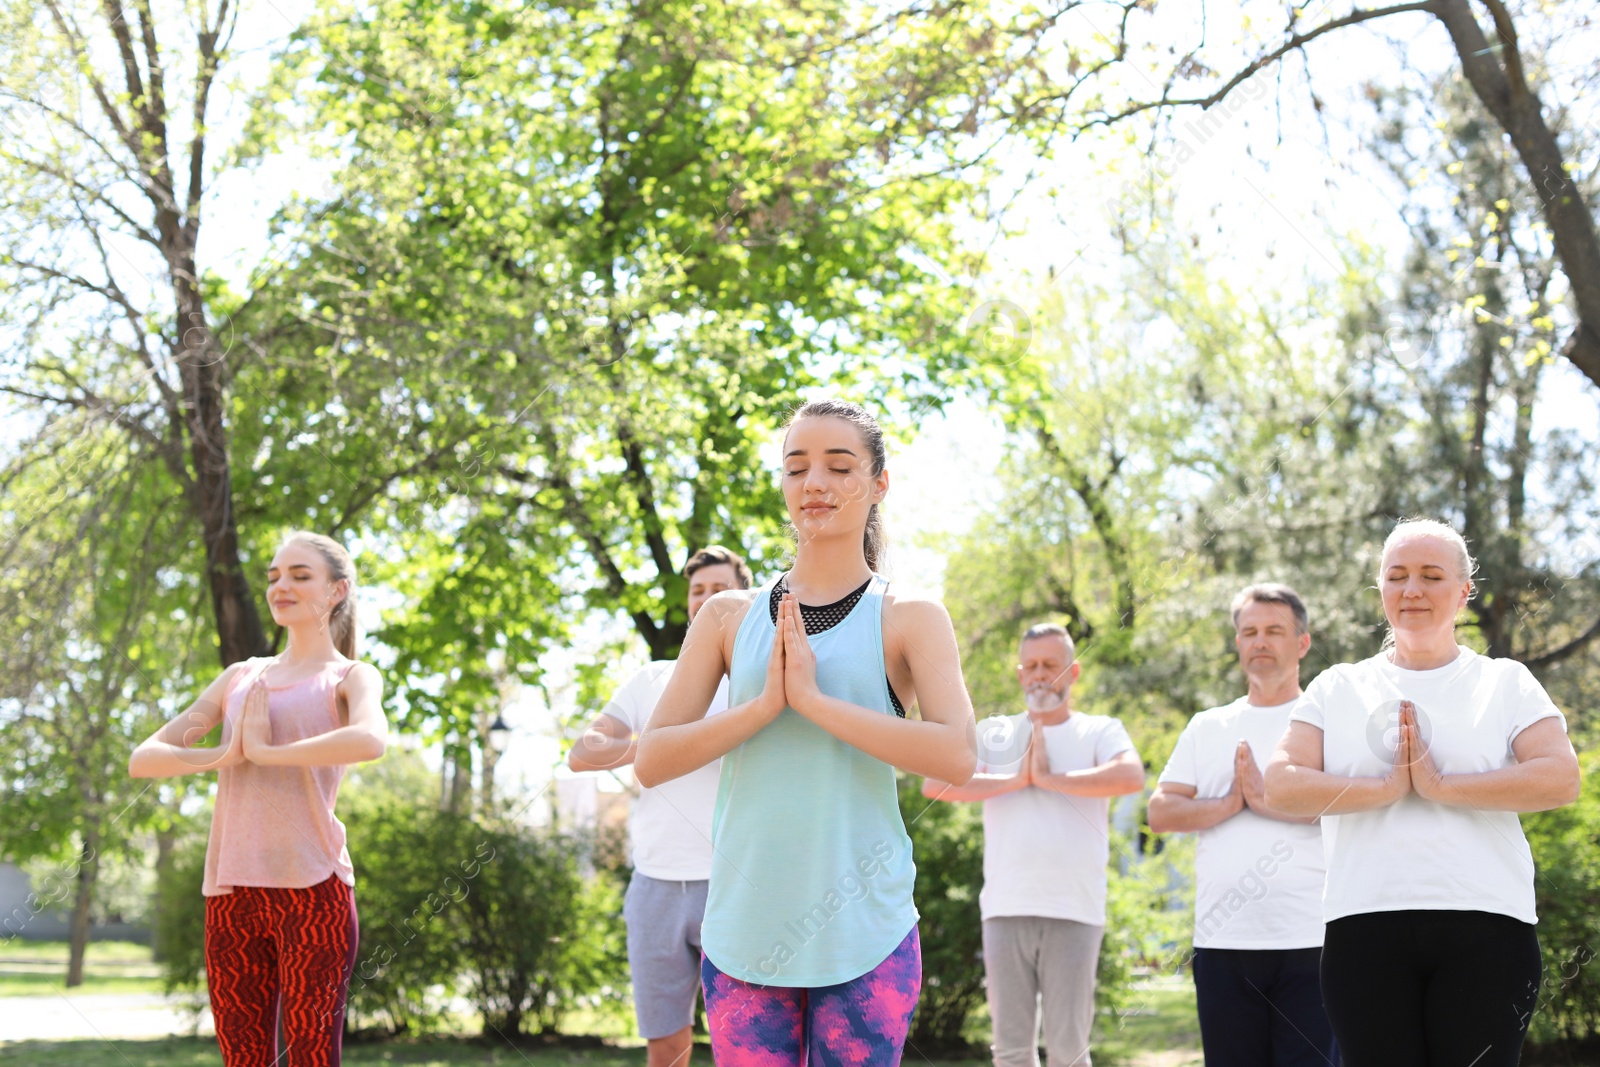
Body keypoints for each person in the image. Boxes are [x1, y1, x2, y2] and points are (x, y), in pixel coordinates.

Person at [634, 398, 977, 1066]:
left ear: (879, 482)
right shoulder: (727, 616)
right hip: (744, 937)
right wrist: (762, 707)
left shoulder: (910, 615)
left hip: (867, 935)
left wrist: (816, 702)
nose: (814, 482)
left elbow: (957, 753)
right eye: (797, 467)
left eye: (838, 465)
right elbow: (652, 758)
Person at [1265, 518, 1581, 1067]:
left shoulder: (1504, 681)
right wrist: (1383, 789)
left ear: (1463, 592)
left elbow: (1560, 777)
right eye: (1398, 576)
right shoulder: (1338, 686)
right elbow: (1282, 784)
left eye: (1431, 575)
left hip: (1488, 927)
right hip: (1363, 925)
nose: (1412, 589)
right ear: (1381, 588)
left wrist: (1440, 786)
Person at [129, 531, 387, 1067]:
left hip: (314, 889)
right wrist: (224, 756)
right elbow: (145, 758)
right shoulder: (240, 677)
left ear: (336, 591)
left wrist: (267, 753)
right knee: (242, 1060)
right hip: (231, 891)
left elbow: (370, 739)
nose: (281, 586)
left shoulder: (349, 677)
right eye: (273, 576)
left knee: (312, 1057)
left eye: (299, 575)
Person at [921, 623, 1145, 1067]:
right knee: (1010, 1051)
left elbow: (1130, 776)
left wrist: (1049, 781)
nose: (1041, 675)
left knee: (1068, 1049)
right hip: (1005, 908)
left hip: (1075, 910)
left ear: (1072, 672)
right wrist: (1014, 781)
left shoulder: (1099, 730)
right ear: (1021, 674)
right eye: (1033, 666)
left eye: (1052, 666)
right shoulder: (995, 732)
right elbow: (936, 784)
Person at [566, 544, 753, 1067]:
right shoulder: (652, 679)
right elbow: (584, 752)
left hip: (736, 884)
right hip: (654, 888)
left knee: (746, 1045)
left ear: (746, 594)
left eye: (720, 589)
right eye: (698, 591)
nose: (707, 600)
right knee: (667, 1048)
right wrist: (659, 747)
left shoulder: (760, 682)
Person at [1148, 584, 1336, 1067]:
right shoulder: (1208, 726)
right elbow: (1162, 811)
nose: (1260, 641)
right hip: (1223, 942)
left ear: (1302, 643)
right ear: (1237, 643)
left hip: (1311, 940)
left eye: (1275, 630)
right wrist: (1233, 802)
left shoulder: (1326, 720)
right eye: (1249, 631)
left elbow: (1349, 806)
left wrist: (1266, 800)